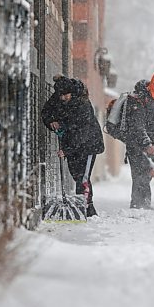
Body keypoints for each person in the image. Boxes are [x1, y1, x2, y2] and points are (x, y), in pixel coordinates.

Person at [41, 75, 104, 217]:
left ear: (72, 93)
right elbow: (46, 112)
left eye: (66, 95)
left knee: (83, 177)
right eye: (61, 95)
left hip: (88, 144)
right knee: (76, 174)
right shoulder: (57, 97)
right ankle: (81, 206)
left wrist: (66, 150)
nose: (63, 98)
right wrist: (51, 122)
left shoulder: (82, 104)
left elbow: (81, 133)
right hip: (70, 143)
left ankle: (87, 208)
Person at [123, 71, 154, 210]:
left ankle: (144, 203)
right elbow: (137, 124)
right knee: (138, 174)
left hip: (151, 142)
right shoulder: (139, 98)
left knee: (148, 173)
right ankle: (138, 204)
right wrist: (146, 143)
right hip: (135, 142)